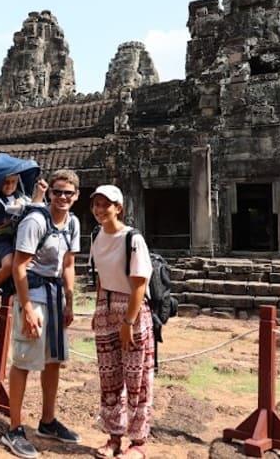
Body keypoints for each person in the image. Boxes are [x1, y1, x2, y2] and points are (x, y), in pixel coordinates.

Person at [1, 169, 81, 459]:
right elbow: (19, 267)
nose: (62, 197)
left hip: (56, 296)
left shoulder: (72, 222)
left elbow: (69, 264)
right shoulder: (35, 220)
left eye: (68, 193)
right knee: (24, 360)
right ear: (49, 193)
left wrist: (70, 301)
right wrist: (27, 309)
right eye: (57, 192)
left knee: (53, 361)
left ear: (76, 196)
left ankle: (48, 421)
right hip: (33, 295)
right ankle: (14, 429)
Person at [88, 185, 155, 459]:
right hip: (106, 306)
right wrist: (97, 309)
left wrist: (128, 320)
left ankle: (138, 442)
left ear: (119, 207)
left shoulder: (133, 238)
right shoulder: (96, 236)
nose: (100, 210)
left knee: (137, 377)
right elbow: (101, 277)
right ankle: (114, 436)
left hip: (133, 309)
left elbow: (140, 283)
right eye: (96, 205)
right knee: (110, 376)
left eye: (106, 204)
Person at [0, 173, 48, 312]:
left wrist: (40, 193)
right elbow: (3, 214)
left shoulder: (21, 197)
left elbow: (33, 208)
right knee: (9, 266)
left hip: (21, 239)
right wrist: (19, 207)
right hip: (3, 240)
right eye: (6, 182)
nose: (10, 185)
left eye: (13, 182)